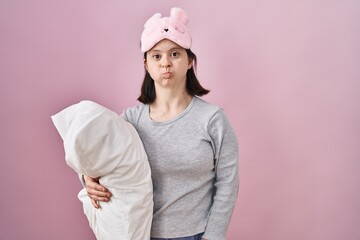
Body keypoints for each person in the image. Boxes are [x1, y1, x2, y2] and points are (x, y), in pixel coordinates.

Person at [84, 7, 239, 240]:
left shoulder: (213, 119)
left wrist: (213, 236)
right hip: (140, 234)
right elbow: (98, 158)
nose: (166, 62)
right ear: (146, 64)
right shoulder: (131, 120)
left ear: (189, 61)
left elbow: (228, 183)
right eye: (157, 55)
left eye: (175, 54)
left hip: (196, 235)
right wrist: (87, 178)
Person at [51, 100, 153, 240]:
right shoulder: (131, 117)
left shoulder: (194, 119)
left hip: (184, 229)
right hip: (134, 220)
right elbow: (99, 151)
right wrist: (87, 178)